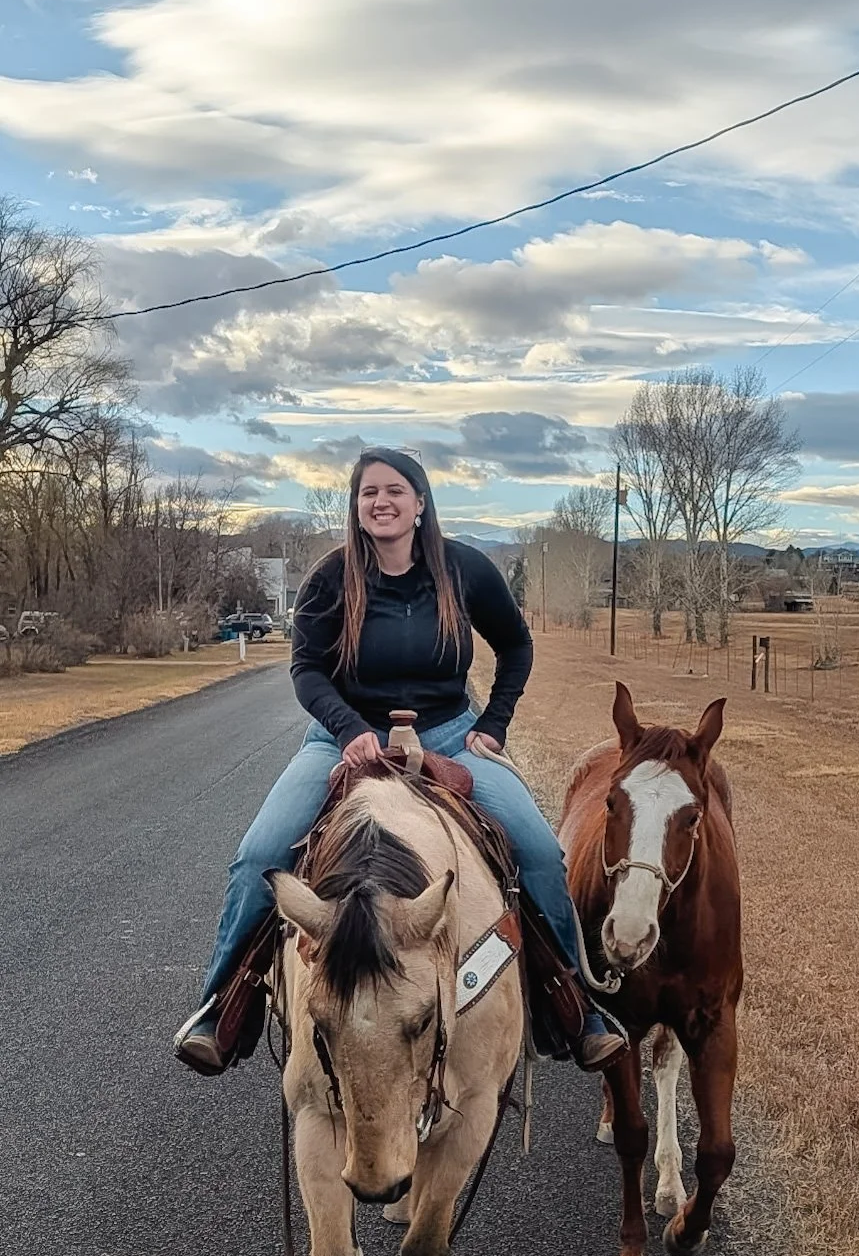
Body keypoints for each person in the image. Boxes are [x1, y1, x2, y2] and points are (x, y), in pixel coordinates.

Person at [174, 447, 626, 1075]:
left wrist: (493, 724)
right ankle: (222, 1006)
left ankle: (572, 1005)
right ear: (356, 507)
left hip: (449, 734)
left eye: (394, 491)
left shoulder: (464, 570)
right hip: (341, 738)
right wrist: (349, 727)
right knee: (261, 852)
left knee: (538, 849)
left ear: (420, 503)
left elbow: (516, 645)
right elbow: (306, 669)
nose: (381, 502)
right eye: (368, 494)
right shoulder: (331, 579)